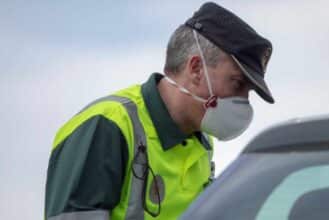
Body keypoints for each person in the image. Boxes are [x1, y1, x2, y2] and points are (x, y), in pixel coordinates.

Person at [44, 2, 274, 220]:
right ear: (195, 69)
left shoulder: (202, 142)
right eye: (237, 83)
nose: (244, 101)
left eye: (249, 91)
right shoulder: (107, 126)